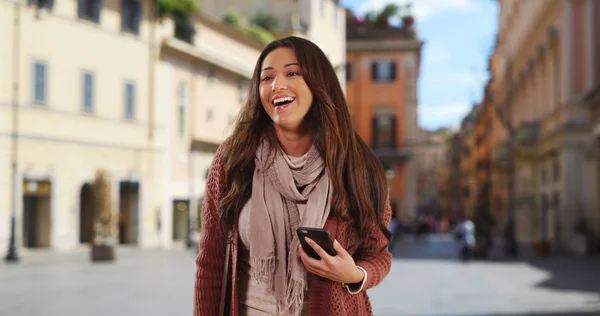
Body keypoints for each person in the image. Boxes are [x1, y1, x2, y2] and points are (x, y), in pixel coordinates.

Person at [193, 36, 393, 316]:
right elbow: (211, 264)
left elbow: (378, 255)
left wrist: (355, 275)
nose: (277, 85)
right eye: (267, 77)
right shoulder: (233, 158)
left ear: (318, 83)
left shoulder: (357, 166)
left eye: (292, 73)